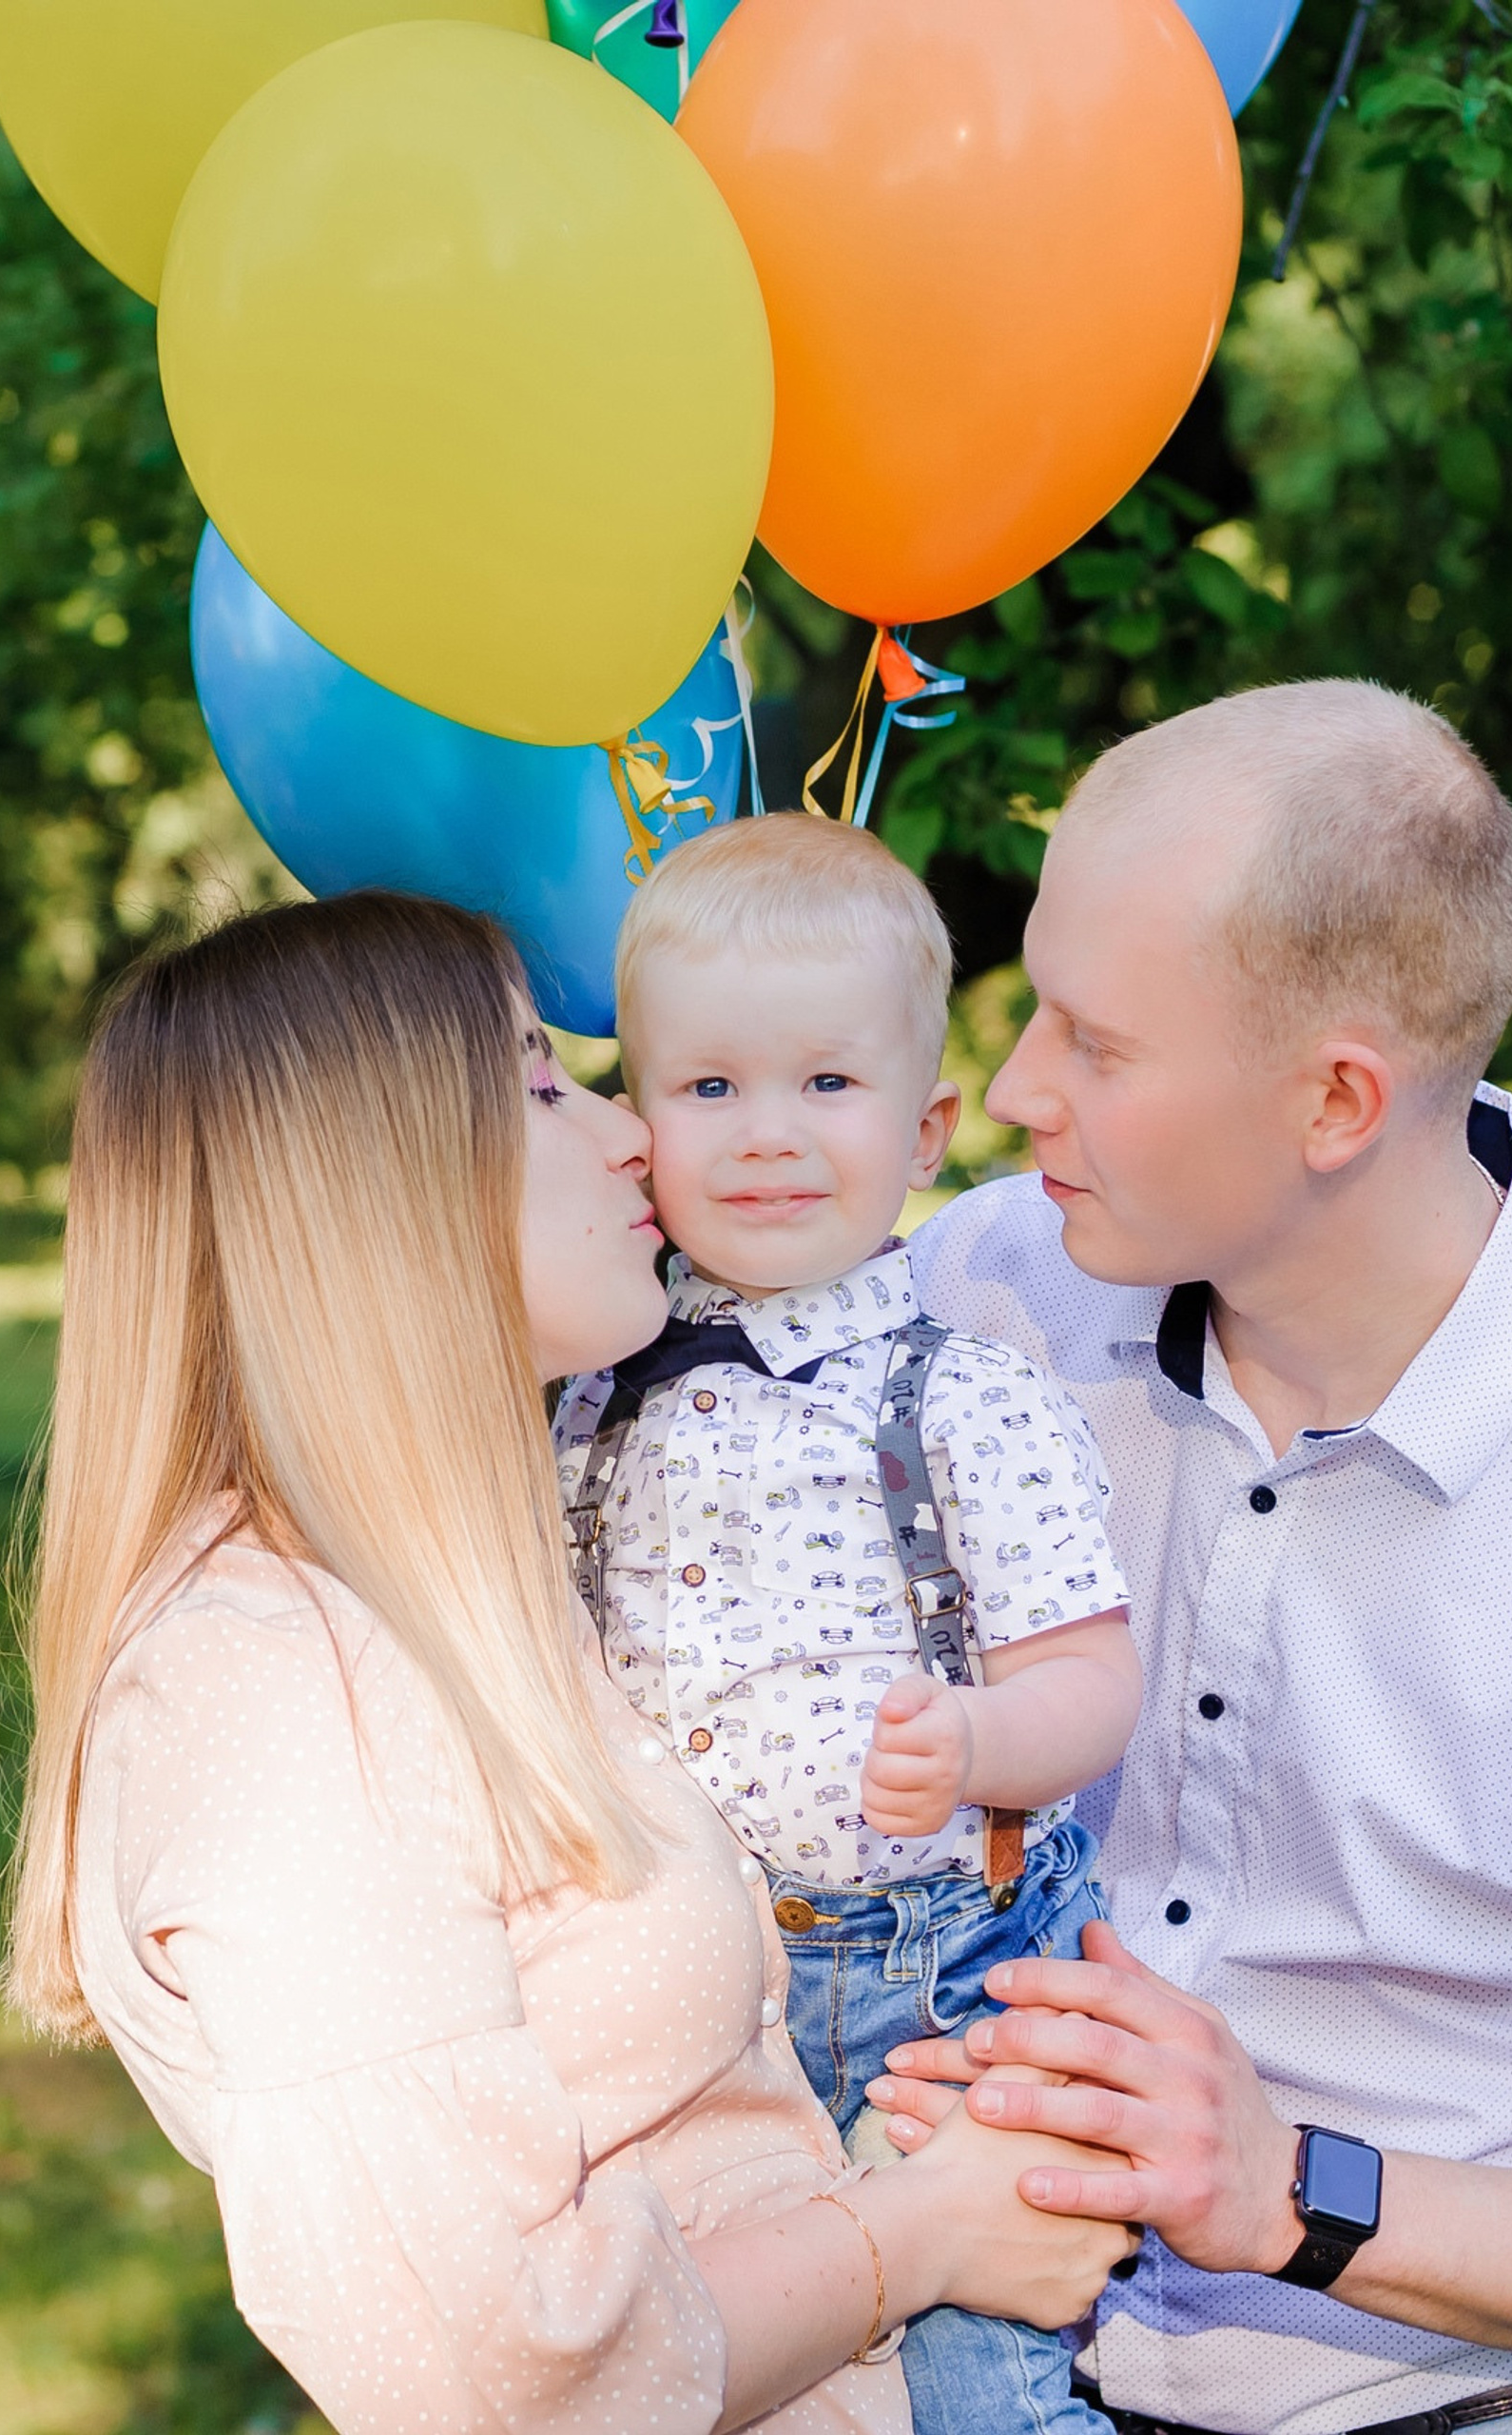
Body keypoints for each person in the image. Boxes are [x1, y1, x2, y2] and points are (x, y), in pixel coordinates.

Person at [0, 890, 1135, 2435]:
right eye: (542, 1086)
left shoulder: (500, 1550)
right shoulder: (270, 1697)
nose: (630, 1136)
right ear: (371, 1189)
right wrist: (926, 2229)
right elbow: (489, 2378)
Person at [863, 682, 1512, 2435]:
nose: (1011, 1094)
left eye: (1095, 1041)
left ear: (1335, 1103)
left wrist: (1296, 2188)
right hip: (968, 2359)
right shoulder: (980, 1297)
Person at [555, 814, 1144, 2435]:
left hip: (935, 1979)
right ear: (637, 1123)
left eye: (826, 1085)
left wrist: (975, 1739)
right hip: (690, 1988)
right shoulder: (588, 1399)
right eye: (709, 1087)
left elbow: (1094, 1681)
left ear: (929, 1124)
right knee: (722, 2366)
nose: (766, 1134)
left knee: (979, 2386)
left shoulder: (964, 1394)